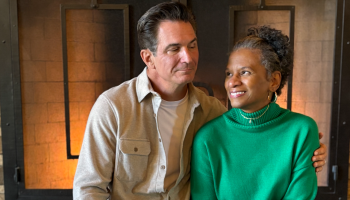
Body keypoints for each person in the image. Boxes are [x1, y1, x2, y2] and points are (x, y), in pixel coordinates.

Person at [73, 2, 327, 200]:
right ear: (148, 58)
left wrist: (309, 149)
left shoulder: (210, 112)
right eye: (174, 49)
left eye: (192, 45)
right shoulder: (113, 107)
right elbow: (89, 188)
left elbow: (251, 136)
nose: (188, 57)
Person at [191, 26, 320, 199]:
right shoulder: (207, 138)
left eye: (244, 72)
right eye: (229, 74)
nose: (232, 82)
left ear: (273, 81)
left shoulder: (302, 130)